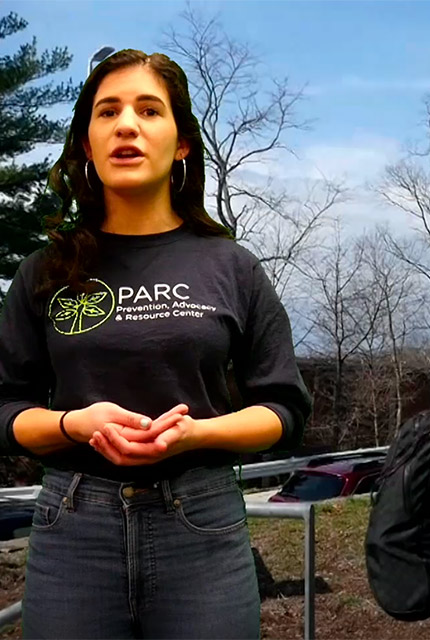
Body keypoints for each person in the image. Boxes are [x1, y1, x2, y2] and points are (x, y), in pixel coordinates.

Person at [0, 49, 312, 638]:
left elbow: (285, 408)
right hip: (73, 531)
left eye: (149, 110)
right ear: (87, 145)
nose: (127, 125)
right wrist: (75, 424)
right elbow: (4, 409)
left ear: (183, 143)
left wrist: (196, 434)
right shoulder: (44, 271)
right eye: (107, 111)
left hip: (202, 527)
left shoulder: (233, 267)